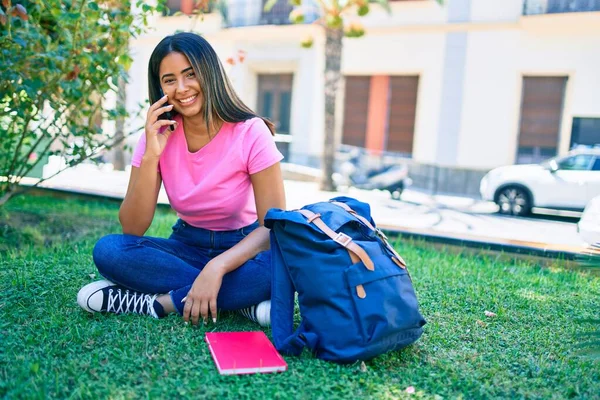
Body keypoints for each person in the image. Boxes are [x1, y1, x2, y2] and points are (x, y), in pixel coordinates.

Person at [76, 32, 285, 327]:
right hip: (186, 244)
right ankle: (240, 302)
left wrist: (218, 266)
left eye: (190, 74)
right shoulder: (156, 136)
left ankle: (159, 303)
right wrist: (151, 156)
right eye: (170, 79)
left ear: (209, 73)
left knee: (277, 266)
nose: (182, 88)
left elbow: (272, 226)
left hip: (242, 246)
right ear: (159, 87)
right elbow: (132, 227)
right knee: (109, 250)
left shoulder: (251, 132)